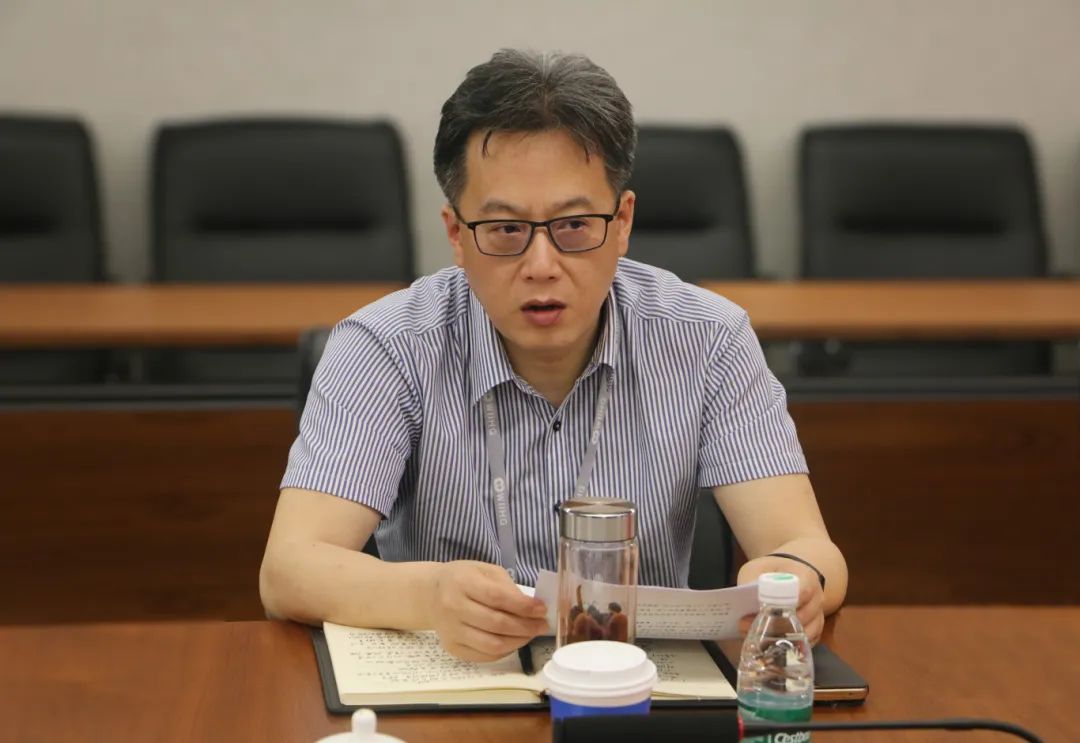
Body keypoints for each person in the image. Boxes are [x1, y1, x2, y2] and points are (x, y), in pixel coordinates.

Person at [260, 49, 847, 662]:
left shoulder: (707, 339)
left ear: (622, 222)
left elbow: (806, 545)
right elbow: (288, 570)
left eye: (574, 226)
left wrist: (797, 578)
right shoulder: (386, 346)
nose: (542, 266)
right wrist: (428, 596)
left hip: (640, 685)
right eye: (505, 230)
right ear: (457, 235)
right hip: (456, 682)